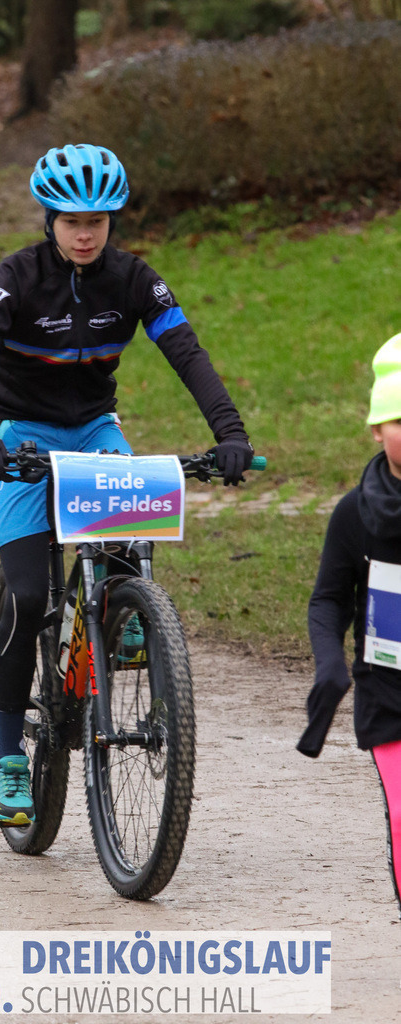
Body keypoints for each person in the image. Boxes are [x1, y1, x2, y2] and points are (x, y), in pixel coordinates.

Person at [0, 143, 255, 827]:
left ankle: (121, 616)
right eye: (70, 221)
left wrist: (230, 435)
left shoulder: (134, 280)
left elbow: (186, 353)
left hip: (92, 431)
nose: (85, 234)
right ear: (49, 219)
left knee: (127, 540)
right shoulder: (16, 277)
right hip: (21, 430)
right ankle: (7, 753)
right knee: (27, 594)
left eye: (98, 221)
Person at [297, 332, 401, 915]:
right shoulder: (354, 513)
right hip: (391, 691)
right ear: (376, 428)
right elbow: (327, 600)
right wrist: (330, 664)